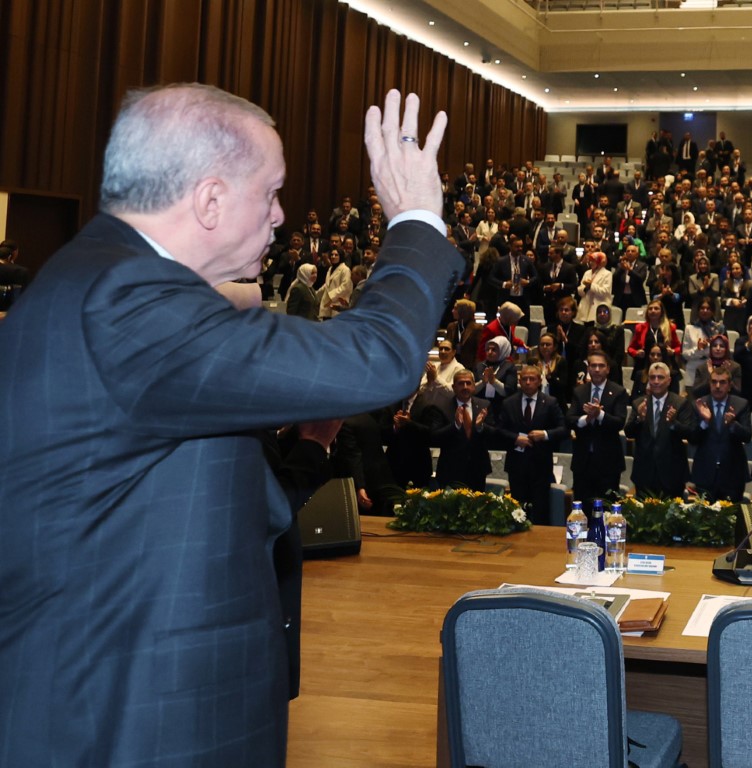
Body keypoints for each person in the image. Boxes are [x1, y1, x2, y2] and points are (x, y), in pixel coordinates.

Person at [0, 85, 460, 765]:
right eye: (271, 192)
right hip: (125, 724)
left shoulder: (106, 282)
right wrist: (415, 218)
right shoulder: (125, 301)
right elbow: (379, 357)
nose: (280, 215)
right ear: (210, 199)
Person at [494, 365, 568, 525]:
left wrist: (545, 435)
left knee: (541, 512)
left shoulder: (550, 402)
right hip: (516, 465)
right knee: (518, 511)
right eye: (524, 379)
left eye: (532, 379)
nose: (528, 382)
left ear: (539, 381)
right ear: (519, 381)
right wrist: (515, 438)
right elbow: (498, 431)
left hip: (541, 465)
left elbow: (563, 429)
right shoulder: (508, 403)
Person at [624, 362, 695, 498]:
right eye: (652, 377)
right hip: (644, 473)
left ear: (668, 381)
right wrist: (639, 418)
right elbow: (629, 432)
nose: (656, 381)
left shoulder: (680, 403)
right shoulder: (639, 403)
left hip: (672, 474)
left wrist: (674, 423)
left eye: (660, 377)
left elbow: (689, 434)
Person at [567, 351, 629, 503]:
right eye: (593, 365)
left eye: (601, 366)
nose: (596, 369)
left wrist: (600, 414)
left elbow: (619, 422)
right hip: (583, 462)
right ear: (588, 368)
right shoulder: (579, 391)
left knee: (607, 509)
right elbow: (569, 419)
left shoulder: (618, 391)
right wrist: (587, 418)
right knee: (583, 507)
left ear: (608, 369)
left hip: (608, 463)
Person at [688, 367, 752, 502]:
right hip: (705, 474)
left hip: (733, 475)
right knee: (705, 521)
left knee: (732, 520)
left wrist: (732, 424)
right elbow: (692, 439)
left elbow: (747, 436)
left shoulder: (741, 404)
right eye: (714, 382)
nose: (717, 386)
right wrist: (704, 422)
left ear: (729, 386)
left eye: (722, 382)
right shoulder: (699, 405)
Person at [433, 370, 494, 491]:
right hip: (450, 470)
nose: (465, 387)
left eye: (468, 383)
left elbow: (494, 434)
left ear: (474, 386)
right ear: (453, 387)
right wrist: (455, 425)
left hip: (477, 469)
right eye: (461, 384)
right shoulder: (442, 407)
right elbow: (434, 437)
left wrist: (480, 427)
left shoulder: (484, 405)